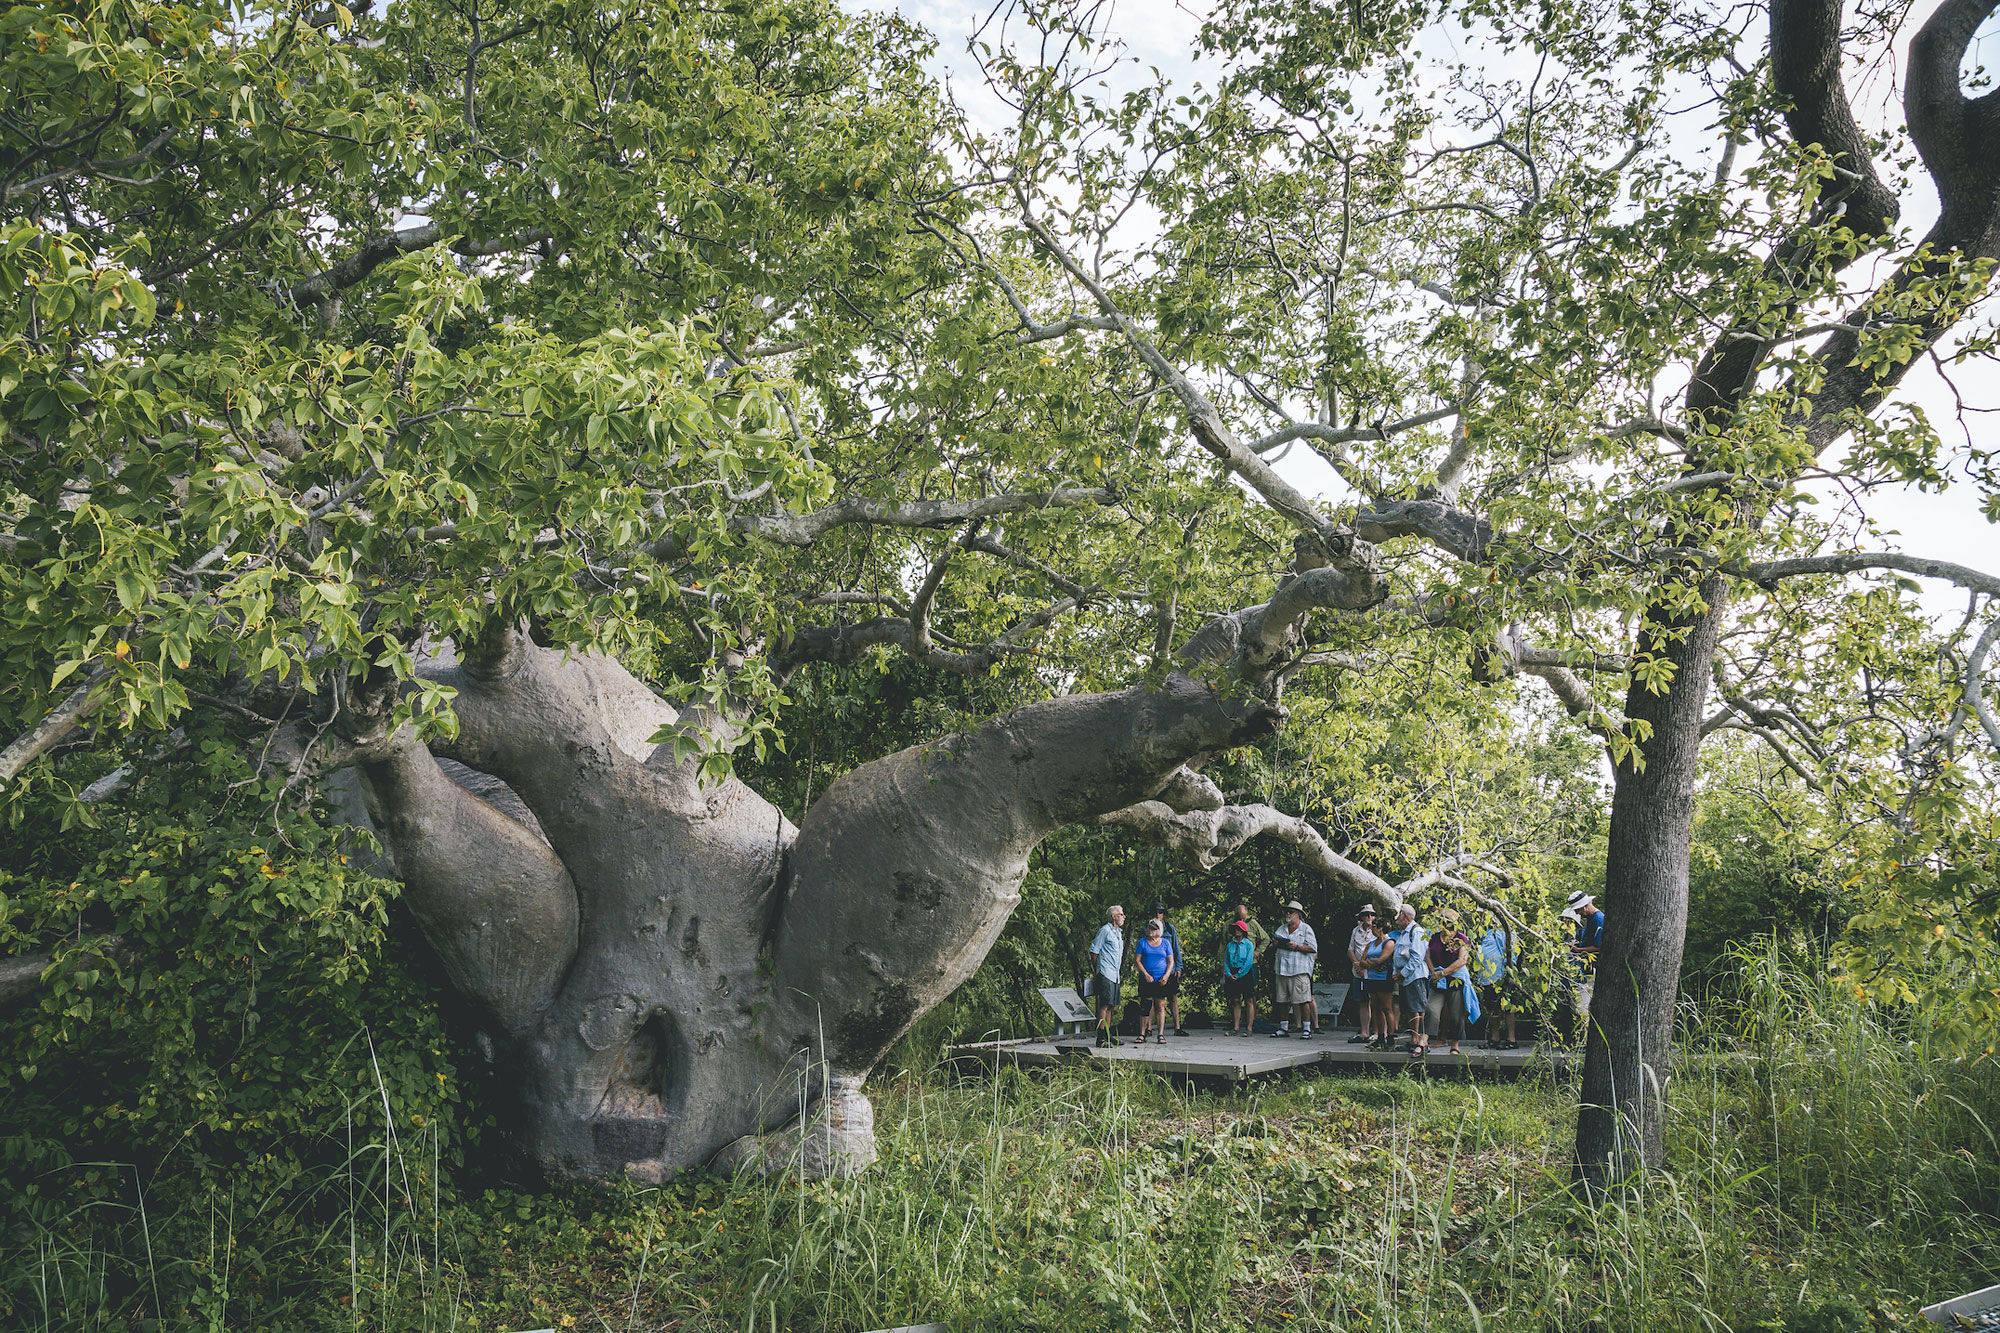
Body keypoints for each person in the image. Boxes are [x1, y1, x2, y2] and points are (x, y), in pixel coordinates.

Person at [1426, 907, 1473, 1056]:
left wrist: (1443, 973)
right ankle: (1425, 1040)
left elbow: (1462, 960)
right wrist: (1433, 972)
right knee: (1431, 1009)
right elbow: (1427, 955)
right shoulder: (1434, 937)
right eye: (1444, 921)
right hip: (1437, 980)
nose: (1446, 924)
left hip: (1455, 980)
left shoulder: (1461, 938)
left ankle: (1455, 1044)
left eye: (1449, 921)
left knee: (1455, 1014)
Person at [1270, 900, 1318, 1038]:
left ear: (1298, 915)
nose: (1288, 914)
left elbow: (1313, 948)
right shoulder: (1281, 929)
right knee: (1282, 1000)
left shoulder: (1306, 929)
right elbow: (1274, 944)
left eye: (1291, 912)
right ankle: (1283, 1028)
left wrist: (1297, 946)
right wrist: (1275, 944)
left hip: (1299, 970)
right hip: (1282, 969)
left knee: (1303, 1000)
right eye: (1287, 911)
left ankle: (1307, 1029)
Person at [1390, 904, 1431, 1057]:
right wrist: (1397, 973)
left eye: (1399, 915)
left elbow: (1417, 957)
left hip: (1414, 976)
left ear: (1406, 917)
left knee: (1416, 1008)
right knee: (1408, 1008)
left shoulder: (1417, 932)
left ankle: (1419, 1040)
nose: (1397, 919)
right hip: (1405, 978)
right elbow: (1398, 956)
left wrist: (1403, 974)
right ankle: (1413, 1039)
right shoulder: (1403, 933)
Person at [1473, 920, 1520, 1050]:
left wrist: (1509, 973)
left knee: (1507, 1007)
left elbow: (1512, 952)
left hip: (1500, 975)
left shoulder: (1503, 931)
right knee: (1492, 1008)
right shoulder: (1484, 932)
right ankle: (1495, 1038)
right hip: (1487, 977)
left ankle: (1512, 1039)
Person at [1147, 902, 1188, 1036]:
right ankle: (1148, 1028)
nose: (1158, 915)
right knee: (1153, 999)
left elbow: (1176, 949)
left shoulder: (1169, 929)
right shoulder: (1147, 929)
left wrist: (1179, 967)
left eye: (1160, 912)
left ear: (1163, 914)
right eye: (1155, 912)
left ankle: (1177, 1027)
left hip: (1170, 969)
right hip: (1154, 970)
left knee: (1173, 997)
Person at [1133, 918, 1176, 1045]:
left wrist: (1167, 975)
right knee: (1145, 1006)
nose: (1150, 930)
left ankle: (1160, 1034)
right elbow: (1137, 960)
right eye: (1149, 928)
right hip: (1147, 979)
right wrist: (1145, 974)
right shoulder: (1142, 943)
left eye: (1153, 928)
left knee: (1160, 1006)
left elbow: (1170, 961)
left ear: (1159, 930)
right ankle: (1142, 1033)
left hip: (1161, 978)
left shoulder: (1165, 943)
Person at [1088, 905, 1125, 1047]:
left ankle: (1108, 1035)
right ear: (1114, 916)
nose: (1123, 916)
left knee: (1110, 1005)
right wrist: (1098, 970)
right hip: (1105, 972)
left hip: (1115, 974)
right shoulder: (1105, 930)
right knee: (1103, 1005)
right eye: (1121, 914)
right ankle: (1100, 1038)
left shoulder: (1118, 932)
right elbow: (1094, 951)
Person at [1566, 890, 1604, 1022]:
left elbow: (1599, 946)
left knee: (1582, 1006)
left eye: (1578, 910)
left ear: (1585, 906)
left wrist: (1579, 949)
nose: (1577, 914)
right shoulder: (1591, 919)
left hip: (1591, 970)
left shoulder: (1599, 919)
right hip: (1584, 968)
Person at [1362, 915, 1398, 1049]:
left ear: (1381, 928)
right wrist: (1372, 964)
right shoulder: (1371, 944)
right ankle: (1380, 1037)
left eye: (1374, 926)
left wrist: (1371, 963)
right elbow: (1362, 961)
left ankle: (1390, 1036)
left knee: (1387, 1008)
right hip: (1372, 978)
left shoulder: (1389, 942)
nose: (1372, 929)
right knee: (1375, 1007)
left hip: (1384, 978)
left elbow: (1381, 959)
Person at [1220, 920, 1259, 1035]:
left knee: (1249, 1000)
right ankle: (1236, 1027)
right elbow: (1226, 960)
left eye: (1238, 929)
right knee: (1236, 1000)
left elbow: (1248, 962)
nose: (1236, 931)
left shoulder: (1248, 944)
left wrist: (1239, 975)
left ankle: (1249, 1028)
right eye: (1235, 929)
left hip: (1245, 973)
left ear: (1243, 931)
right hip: (1232, 972)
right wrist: (1228, 973)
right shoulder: (1230, 945)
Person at [1346, 906, 1379, 1043]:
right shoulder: (1356, 930)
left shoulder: (1377, 931)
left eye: (1372, 914)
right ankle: (1364, 1031)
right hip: (1358, 971)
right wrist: (1357, 964)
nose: (1369, 917)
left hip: (1372, 972)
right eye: (1366, 915)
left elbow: (1379, 950)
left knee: (1375, 1002)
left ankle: (1377, 1032)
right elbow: (1350, 950)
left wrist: (1365, 965)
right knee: (1362, 1002)